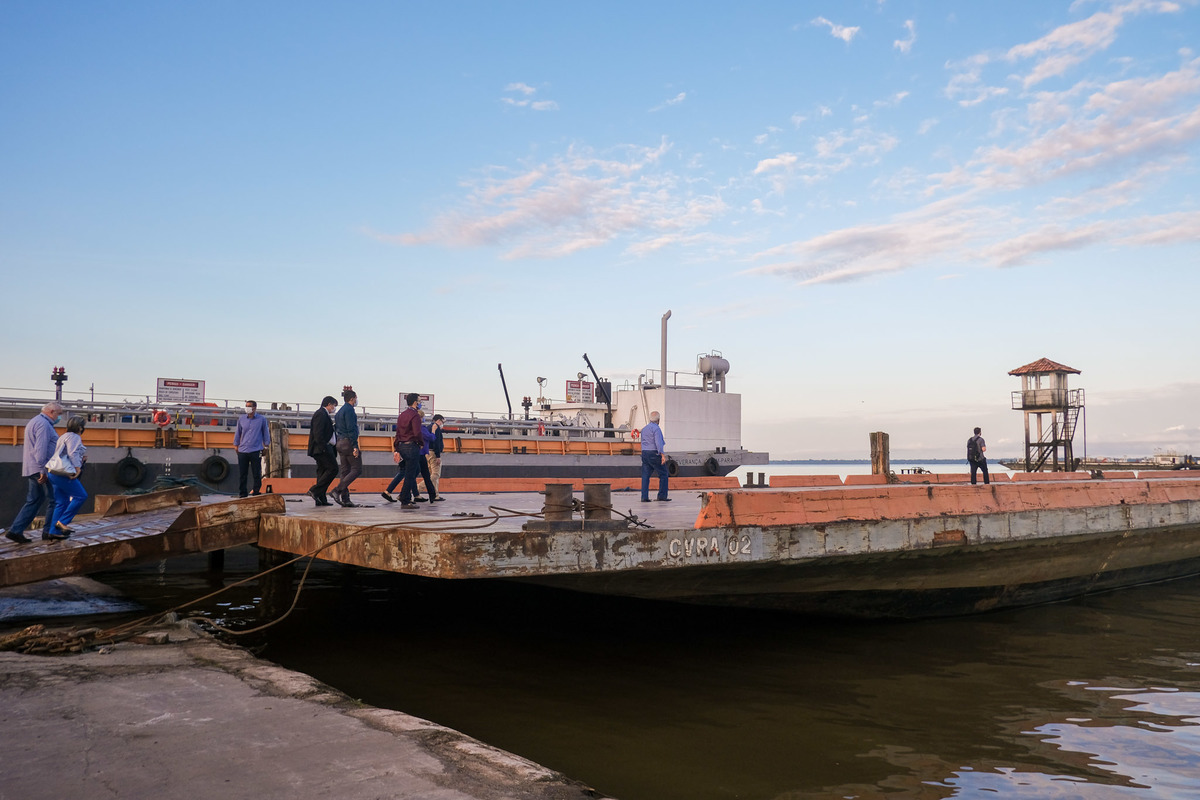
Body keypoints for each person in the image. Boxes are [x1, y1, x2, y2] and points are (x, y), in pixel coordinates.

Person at [3, 401, 62, 544]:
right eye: (59, 414)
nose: (59, 417)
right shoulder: (44, 425)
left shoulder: (35, 421)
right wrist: (43, 471)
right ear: (51, 412)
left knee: (35, 499)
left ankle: (15, 530)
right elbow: (40, 450)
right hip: (42, 468)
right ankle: (49, 532)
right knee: (55, 499)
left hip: (32, 467)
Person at [44, 415, 88, 538]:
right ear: (79, 427)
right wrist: (77, 467)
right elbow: (72, 453)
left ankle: (54, 532)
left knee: (61, 502)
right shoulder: (75, 437)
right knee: (81, 496)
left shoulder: (63, 436)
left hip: (53, 472)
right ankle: (62, 522)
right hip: (64, 473)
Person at [233, 400, 271, 498]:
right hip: (243, 450)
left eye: (249, 406)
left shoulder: (261, 419)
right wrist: (236, 445)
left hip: (256, 449)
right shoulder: (241, 419)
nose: (247, 408)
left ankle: (256, 491)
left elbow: (265, 433)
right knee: (242, 473)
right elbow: (238, 433)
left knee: (256, 472)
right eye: (246, 406)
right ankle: (242, 493)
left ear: (254, 408)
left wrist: (266, 445)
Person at [306, 396, 339, 506]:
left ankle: (321, 498)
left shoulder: (324, 414)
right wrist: (323, 447)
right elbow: (318, 433)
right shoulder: (321, 414)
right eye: (334, 405)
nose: (334, 408)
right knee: (333, 469)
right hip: (322, 448)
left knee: (322, 471)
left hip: (321, 448)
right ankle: (315, 490)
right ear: (329, 404)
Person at [393, 393, 424, 509]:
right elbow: (417, 432)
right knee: (411, 474)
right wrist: (421, 443)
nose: (420, 403)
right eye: (420, 401)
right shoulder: (415, 415)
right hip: (412, 446)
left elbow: (398, 432)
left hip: (402, 446)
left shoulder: (402, 415)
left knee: (413, 470)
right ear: (415, 402)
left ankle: (404, 494)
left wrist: (396, 448)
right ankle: (405, 500)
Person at [332, 388, 362, 506]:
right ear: (352, 399)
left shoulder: (339, 412)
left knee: (345, 471)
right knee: (357, 469)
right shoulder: (350, 411)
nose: (356, 400)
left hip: (340, 442)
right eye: (355, 398)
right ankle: (337, 490)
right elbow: (351, 429)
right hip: (348, 443)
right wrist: (355, 446)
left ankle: (345, 499)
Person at [640, 410, 670, 502]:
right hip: (654, 453)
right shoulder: (656, 429)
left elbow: (642, 442)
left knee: (645, 475)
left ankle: (644, 497)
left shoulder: (644, 429)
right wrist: (662, 455)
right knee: (663, 474)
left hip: (645, 453)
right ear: (658, 420)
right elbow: (658, 443)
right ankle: (662, 496)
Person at [427, 414, 445, 501]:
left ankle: (435, 495)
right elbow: (436, 442)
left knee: (433, 475)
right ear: (438, 420)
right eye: (442, 422)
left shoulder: (428, 427)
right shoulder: (436, 428)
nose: (442, 424)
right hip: (433, 453)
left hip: (427, 453)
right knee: (435, 475)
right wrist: (438, 456)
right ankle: (418, 488)